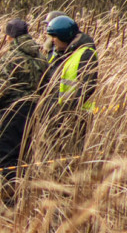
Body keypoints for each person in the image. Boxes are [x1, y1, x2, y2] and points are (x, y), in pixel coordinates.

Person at [0, 18, 45, 206]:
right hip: (33, 110)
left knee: (7, 158)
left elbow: (0, 86)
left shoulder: (12, 56)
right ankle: (24, 198)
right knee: (24, 155)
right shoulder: (39, 56)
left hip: (11, 111)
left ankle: (9, 203)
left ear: (10, 37)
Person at [40, 15, 98, 158]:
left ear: (65, 36)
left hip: (74, 118)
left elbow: (87, 87)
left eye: (55, 37)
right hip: (53, 115)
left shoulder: (85, 54)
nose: (52, 40)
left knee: (70, 157)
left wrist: (67, 112)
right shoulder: (58, 53)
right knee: (51, 158)